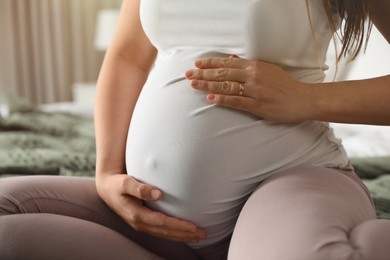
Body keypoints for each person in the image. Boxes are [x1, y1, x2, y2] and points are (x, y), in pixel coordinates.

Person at [1, 0, 390, 259]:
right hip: (156, 213)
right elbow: (127, 56)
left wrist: (305, 98)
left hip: (288, 175)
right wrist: (106, 174)